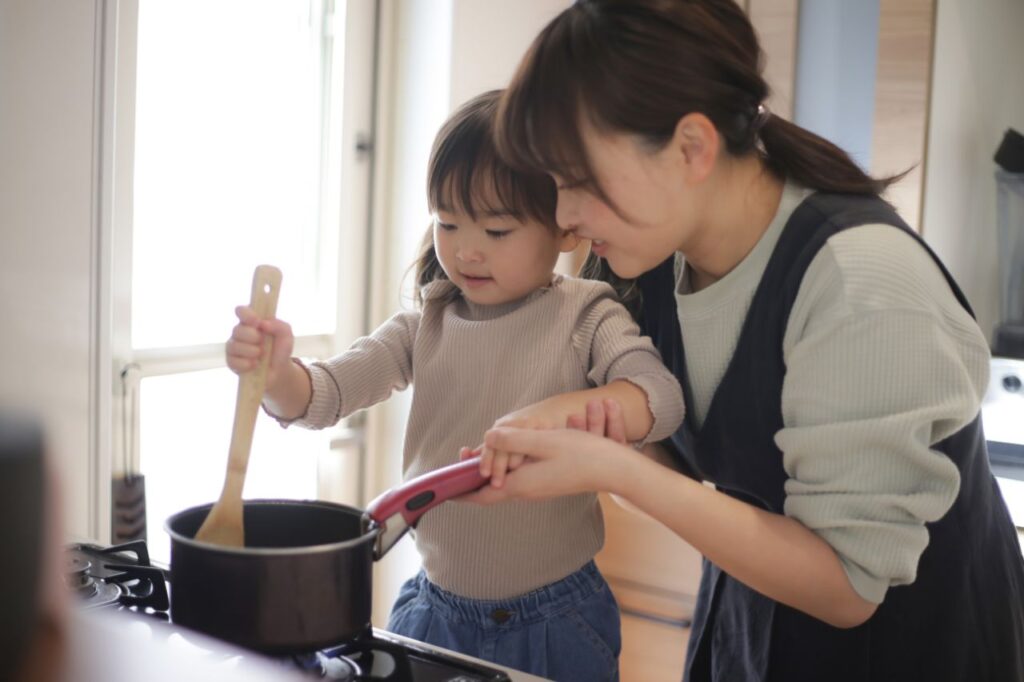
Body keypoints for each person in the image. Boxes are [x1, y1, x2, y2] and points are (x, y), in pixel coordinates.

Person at [463, 1, 1024, 681]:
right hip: (747, 620)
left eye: (579, 183)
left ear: (693, 148)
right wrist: (604, 432)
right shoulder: (643, 256)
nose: (565, 217)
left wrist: (613, 468)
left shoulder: (858, 283)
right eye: (555, 185)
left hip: (913, 650)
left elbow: (849, 586)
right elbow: (676, 459)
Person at [224, 89, 685, 681]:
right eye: (447, 222)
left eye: (497, 229)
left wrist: (578, 408)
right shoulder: (427, 323)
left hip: (557, 620)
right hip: (433, 612)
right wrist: (274, 373)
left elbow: (660, 398)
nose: (466, 249)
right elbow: (320, 398)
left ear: (564, 229)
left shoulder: (588, 315)